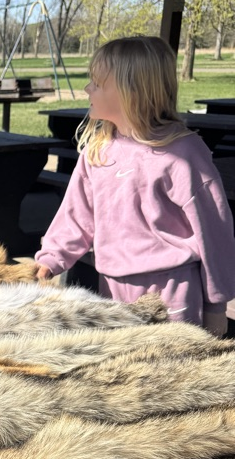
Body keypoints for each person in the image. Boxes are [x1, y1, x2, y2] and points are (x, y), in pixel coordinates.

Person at [34, 35, 235, 335]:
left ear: (132, 91)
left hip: (171, 293)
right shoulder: (96, 152)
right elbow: (76, 216)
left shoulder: (184, 155)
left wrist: (216, 305)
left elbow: (214, 233)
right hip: (111, 289)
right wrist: (51, 259)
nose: (87, 89)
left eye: (97, 84)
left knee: (171, 375)